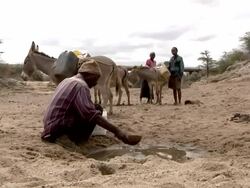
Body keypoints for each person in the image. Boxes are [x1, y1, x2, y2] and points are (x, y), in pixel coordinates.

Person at [41, 59, 141, 146]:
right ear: (89, 76)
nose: (95, 83)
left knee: (95, 107)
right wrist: (118, 132)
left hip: (49, 129)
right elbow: (90, 114)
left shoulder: (68, 80)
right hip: (56, 132)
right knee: (96, 110)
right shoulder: (81, 86)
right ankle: (73, 141)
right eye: (95, 79)